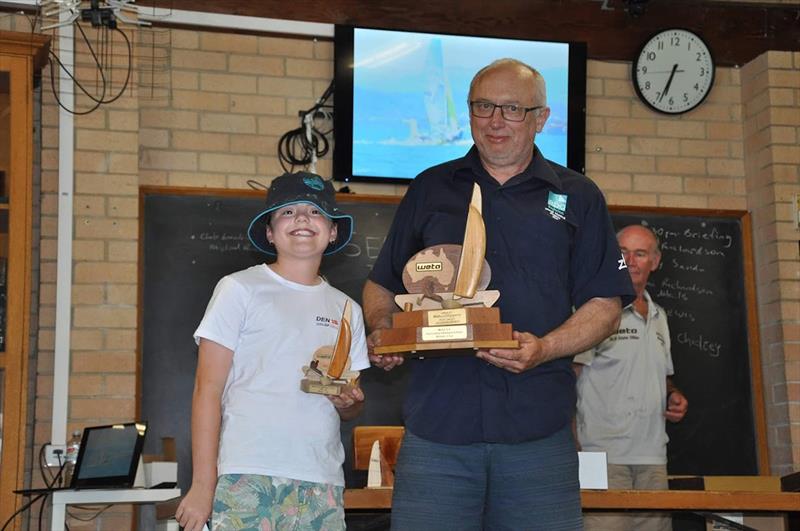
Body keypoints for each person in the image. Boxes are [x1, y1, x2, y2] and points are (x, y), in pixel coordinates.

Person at [362, 58, 635, 531]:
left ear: (541, 119)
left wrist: (545, 348)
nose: (495, 121)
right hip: (437, 433)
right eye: (483, 106)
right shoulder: (430, 188)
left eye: (511, 109)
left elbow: (606, 306)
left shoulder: (578, 196)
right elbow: (382, 285)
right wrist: (385, 329)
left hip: (538, 435)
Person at [175, 171, 369, 531]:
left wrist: (349, 402)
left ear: (333, 231)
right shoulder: (239, 289)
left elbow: (353, 406)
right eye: (288, 212)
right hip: (247, 474)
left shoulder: (348, 310)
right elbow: (207, 389)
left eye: (315, 212)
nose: (301, 220)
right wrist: (204, 484)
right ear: (269, 232)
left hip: (321, 480)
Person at [574, 224, 689, 531]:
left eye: (640, 253)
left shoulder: (659, 315)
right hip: (601, 455)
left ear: (656, 261)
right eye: (623, 252)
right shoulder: (596, 312)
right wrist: (573, 447)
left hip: (653, 457)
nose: (631, 261)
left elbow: (663, 376)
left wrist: (672, 395)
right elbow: (569, 379)